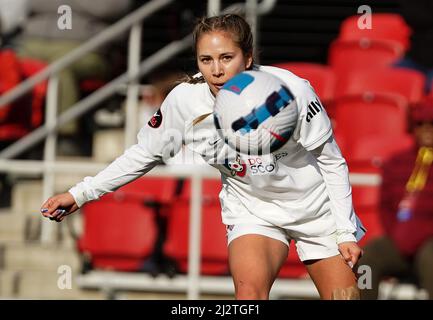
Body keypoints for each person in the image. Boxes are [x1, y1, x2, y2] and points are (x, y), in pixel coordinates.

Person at [40, 14, 366, 300]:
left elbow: (332, 162)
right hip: (254, 211)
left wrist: (344, 233)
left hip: (316, 211)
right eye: (206, 60)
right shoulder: (184, 102)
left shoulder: (292, 92)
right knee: (249, 295)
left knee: (344, 297)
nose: (217, 70)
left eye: (227, 57)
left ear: (248, 57)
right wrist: (80, 193)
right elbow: (144, 154)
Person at [360, 98, 433, 300]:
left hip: (429, 243)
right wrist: (400, 237)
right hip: (399, 242)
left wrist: (419, 237)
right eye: (420, 124)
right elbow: (385, 207)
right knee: (366, 260)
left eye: (432, 124)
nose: (427, 129)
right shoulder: (396, 162)